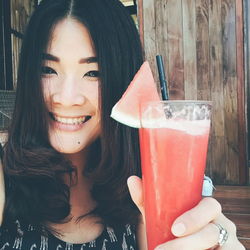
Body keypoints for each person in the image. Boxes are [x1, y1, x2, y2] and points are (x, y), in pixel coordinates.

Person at [0, 0, 245, 249]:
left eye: (93, 73)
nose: (66, 97)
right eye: (48, 70)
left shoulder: (144, 188)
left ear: (123, 82)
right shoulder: (4, 177)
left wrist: (223, 241)